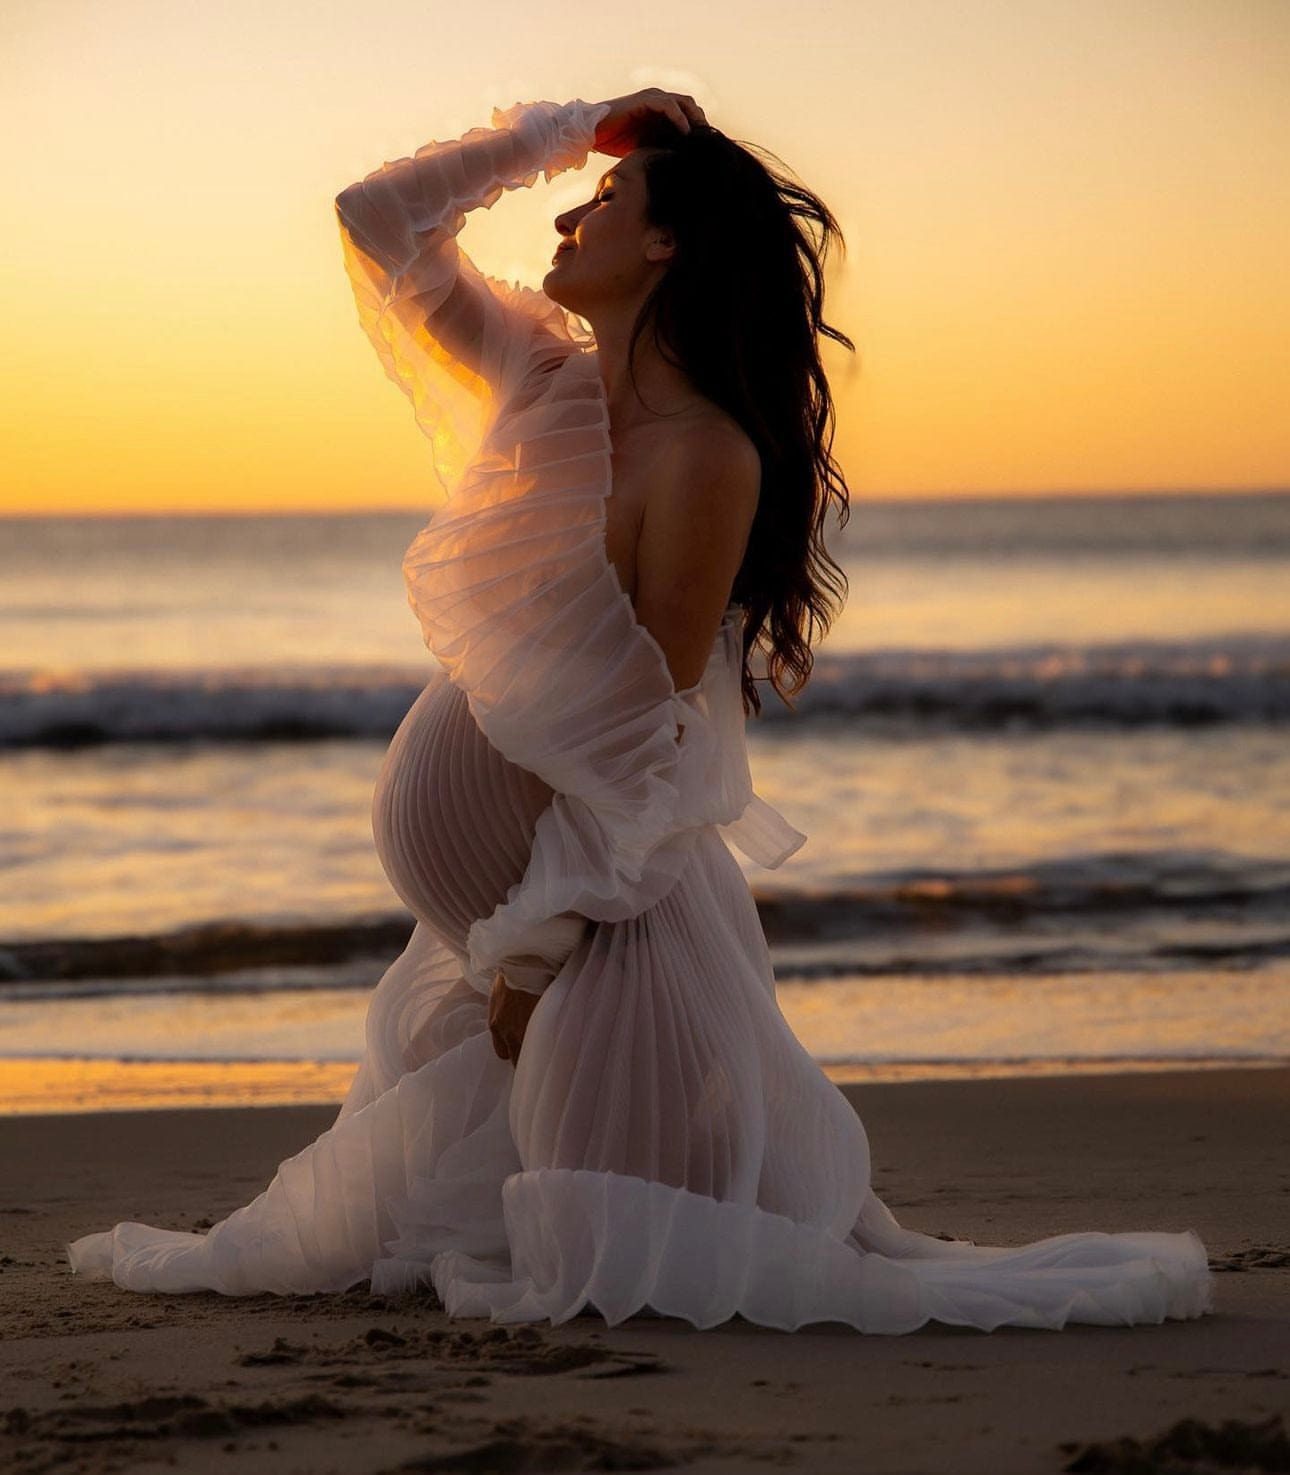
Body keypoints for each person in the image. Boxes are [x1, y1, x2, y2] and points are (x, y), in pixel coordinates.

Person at [66, 88, 1213, 1332]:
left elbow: (648, 743)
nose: (571, 210)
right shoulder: (540, 380)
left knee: (624, 1260)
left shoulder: (708, 458)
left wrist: (541, 946)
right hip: (544, 929)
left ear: (667, 248)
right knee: (562, 1239)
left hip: (611, 927)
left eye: (609, 200)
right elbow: (376, 220)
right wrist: (578, 127)